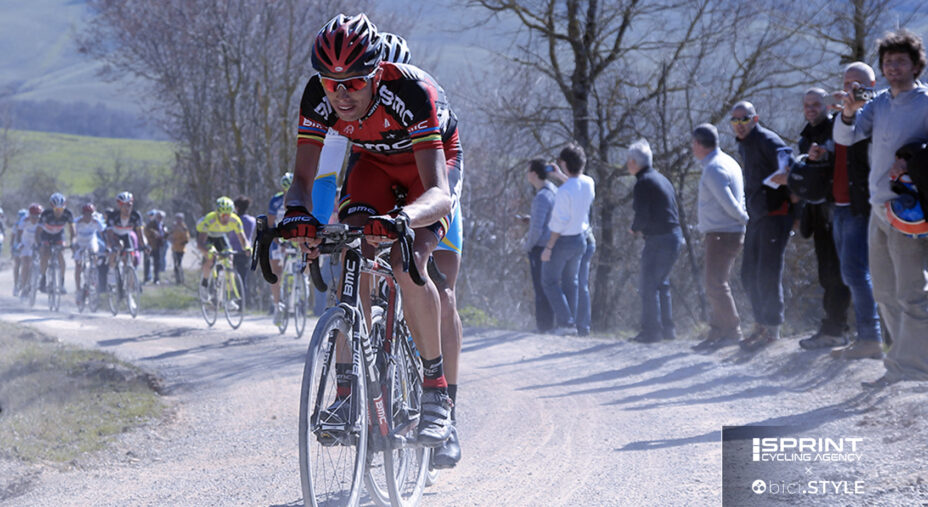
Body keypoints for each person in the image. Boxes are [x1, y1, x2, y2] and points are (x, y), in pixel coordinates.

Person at [280, 13, 461, 447]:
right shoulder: (317, 97)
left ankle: (436, 392)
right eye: (330, 82)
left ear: (376, 74)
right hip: (374, 166)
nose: (341, 95)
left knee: (408, 259)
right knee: (350, 253)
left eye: (355, 83)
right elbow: (304, 181)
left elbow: (438, 191)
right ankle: (347, 393)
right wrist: (298, 220)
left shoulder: (411, 92)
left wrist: (403, 220)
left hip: (428, 172)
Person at [833, 29, 928, 386]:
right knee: (885, 293)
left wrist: (911, 159)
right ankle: (901, 363)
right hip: (878, 208)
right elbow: (846, 137)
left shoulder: (925, 102)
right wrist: (847, 112)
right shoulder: (880, 103)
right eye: (887, 62)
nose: (892, 68)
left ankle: (915, 368)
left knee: (912, 293)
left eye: (900, 61)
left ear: (916, 64)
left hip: (910, 211)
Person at [807, 62, 884, 358]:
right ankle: (866, 335)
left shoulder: (875, 114)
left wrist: (854, 110)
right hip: (837, 205)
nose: (852, 87)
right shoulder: (842, 117)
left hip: (858, 205)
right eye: (848, 81)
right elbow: (842, 146)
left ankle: (871, 337)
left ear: (872, 84)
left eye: (859, 83)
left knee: (856, 272)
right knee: (848, 272)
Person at [787, 89, 854, 349]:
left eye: (816, 104)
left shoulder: (836, 128)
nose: (811, 109)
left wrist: (827, 157)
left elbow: (846, 161)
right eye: (807, 105)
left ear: (826, 106)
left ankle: (839, 329)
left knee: (839, 272)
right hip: (816, 213)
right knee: (826, 273)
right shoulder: (806, 137)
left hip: (837, 209)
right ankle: (831, 326)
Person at [731, 101, 794, 351]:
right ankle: (760, 324)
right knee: (748, 273)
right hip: (757, 215)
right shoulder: (744, 144)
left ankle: (773, 328)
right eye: (735, 121)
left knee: (768, 272)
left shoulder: (766, 139)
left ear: (755, 119)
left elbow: (787, 158)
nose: (739, 125)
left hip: (775, 213)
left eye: (744, 119)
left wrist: (784, 172)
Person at [690, 124, 750, 351]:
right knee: (714, 281)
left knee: (715, 283)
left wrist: (744, 220)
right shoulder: (727, 162)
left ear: (698, 143)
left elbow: (729, 203)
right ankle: (717, 330)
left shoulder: (714, 168)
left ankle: (732, 329)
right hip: (725, 232)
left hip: (723, 233)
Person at [627, 139, 683, 343]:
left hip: (659, 240)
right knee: (662, 283)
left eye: (628, 161)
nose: (627, 164)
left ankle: (651, 331)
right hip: (674, 237)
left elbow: (642, 214)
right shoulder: (661, 178)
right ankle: (667, 330)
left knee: (648, 284)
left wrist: (634, 229)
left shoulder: (643, 183)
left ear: (633, 162)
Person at [541, 143, 595, 336]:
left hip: (563, 240)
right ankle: (573, 324)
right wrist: (560, 175)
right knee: (571, 282)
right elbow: (575, 186)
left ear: (564, 163)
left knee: (549, 280)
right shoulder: (588, 183)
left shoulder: (563, 191)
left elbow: (558, 223)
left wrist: (549, 247)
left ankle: (565, 323)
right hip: (580, 239)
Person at [523, 159, 557, 333]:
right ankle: (550, 324)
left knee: (540, 288)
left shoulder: (542, 197)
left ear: (535, 174)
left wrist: (527, 246)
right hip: (551, 245)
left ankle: (543, 326)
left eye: (528, 171)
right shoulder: (553, 191)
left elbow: (536, 230)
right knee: (549, 285)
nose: (527, 174)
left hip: (540, 248)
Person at [195, 196, 250, 294]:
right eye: (223, 215)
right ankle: (205, 282)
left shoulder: (235, 220)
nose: (226, 218)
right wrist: (208, 251)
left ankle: (228, 296)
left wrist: (247, 248)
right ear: (218, 213)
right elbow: (200, 244)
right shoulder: (210, 219)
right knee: (210, 258)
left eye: (229, 215)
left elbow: (243, 238)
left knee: (229, 259)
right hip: (206, 236)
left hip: (220, 235)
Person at [104, 192, 148, 288]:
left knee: (130, 261)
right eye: (124, 206)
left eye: (129, 205)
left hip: (126, 235)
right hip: (115, 236)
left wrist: (144, 246)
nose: (127, 208)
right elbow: (109, 235)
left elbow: (140, 234)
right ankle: (111, 272)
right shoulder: (113, 216)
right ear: (119, 206)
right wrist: (112, 246)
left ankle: (129, 293)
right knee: (115, 250)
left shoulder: (136, 216)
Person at [37, 192, 75, 293]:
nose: (58, 212)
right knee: (45, 254)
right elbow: (38, 231)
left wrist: (72, 242)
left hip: (59, 234)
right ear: (52, 207)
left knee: (61, 255)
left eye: (61, 209)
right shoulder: (45, 214)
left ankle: (62, 283)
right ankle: (43, 278)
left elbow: (72, 230)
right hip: (46, 234)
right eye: (56, 210)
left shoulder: (68, 213)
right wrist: (39, 243)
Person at [73, 203, 105, 298]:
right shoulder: (77, 222)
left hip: (91, 241)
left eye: (90, 214)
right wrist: (74, 246)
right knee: (78, 266)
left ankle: (93, 273)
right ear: (82, 214)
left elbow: (103, 233)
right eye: (86, 214)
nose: (88, 217)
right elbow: (74, 236)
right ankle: (78, 289)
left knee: (94, 252)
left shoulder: (96, 221)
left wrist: (107, 246)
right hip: (80, 243)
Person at [231, 196, 256, 304]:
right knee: (243, 278)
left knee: (230, 276)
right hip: (246, 251)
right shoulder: (252, 220)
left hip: (233, 250)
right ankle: (243, 303)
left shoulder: (233, 220)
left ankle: (232, 299)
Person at [14, 204, 42, 296]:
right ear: (29, 215)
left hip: (36, 242)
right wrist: (19, 244)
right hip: (25, 242)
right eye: (33, 217)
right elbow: (19, 234)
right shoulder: (24, 220)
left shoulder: (42, 221)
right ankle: (23, 284)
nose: (35, 219)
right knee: (26, 264)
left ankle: (33, 283)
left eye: (37, 217)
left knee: (34, 263)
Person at [144, 210, 166, 284]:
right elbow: (147, 230)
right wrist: (154, 233)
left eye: (161, 217)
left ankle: (156, 278)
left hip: (158, 246)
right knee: (147, 261)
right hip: (150, 245)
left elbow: (164, 234)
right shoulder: (152, 223)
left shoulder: (162, 225)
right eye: (159, 216)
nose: (160, 218)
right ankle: (147, 278)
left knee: (157, 263)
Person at [168, 213, 190, 285]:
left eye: (180, 219)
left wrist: (180, 241)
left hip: (181, 249)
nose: (178, 220)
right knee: (175, 265)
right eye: (177, 218)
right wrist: (170, 238)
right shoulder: (174, 226)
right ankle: (177, 280)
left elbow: (187, 239)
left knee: (178, 264)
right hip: (174, 248)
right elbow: (170, 234)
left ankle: (181, 279)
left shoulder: (184, 227)